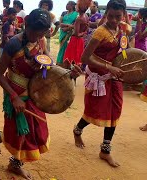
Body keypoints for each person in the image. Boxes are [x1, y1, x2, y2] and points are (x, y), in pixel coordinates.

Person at [0, 9, 82, 179]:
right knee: (19, 133)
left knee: (35, 132)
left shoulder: (41, 41)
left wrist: (68, 72)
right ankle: (14, 163)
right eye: (34, 32)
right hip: (16, 93)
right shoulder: (13, 44)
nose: (37, 36)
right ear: (26, 25)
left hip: (36, 93)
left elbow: (50, 65)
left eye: (41, 33)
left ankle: (1, 141)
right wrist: (14, 97)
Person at [73, 0, 132, 167]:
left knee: (115, 111)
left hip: (115, 76)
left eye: (118, 16)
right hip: (98, 77)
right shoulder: (100, 32)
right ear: (106, 14)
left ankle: (105, 150)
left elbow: (126, 49)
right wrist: (108, 67)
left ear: (124, 15)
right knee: (95, 110)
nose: (113, 20)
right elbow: (85, 58)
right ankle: (77, 130)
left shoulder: (123, 28)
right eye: (110, 16)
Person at [0, 8, 17, 83]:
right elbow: (5, 37)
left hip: (8, 46)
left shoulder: (12, 24)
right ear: (9, 15)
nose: (15, 16)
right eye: (13, 15)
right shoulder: (6, 24)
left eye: (15, 15)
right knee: (0, 62)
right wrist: (10, 45)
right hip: (4, 46)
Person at [63, 0, 90, 68]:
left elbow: (76, 33)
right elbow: (87, 28)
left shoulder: (79, 18)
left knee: (70, 60)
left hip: (75, 40)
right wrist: (84, 33)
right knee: (77, 60)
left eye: (77, 5)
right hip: (81, 40)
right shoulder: (86, 16)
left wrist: (80, 33)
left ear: (79, 7)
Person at [56, 1, 78, 66]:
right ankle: (59, 62)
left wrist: (68, 27)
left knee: (67, 48)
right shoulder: (64, 13)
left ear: (72, 6)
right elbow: (60, 23)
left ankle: (65, 64)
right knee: (61, 47)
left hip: (69, 33)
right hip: (62, 32)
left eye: (68, 4)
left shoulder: (76, 14)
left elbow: (75, 25)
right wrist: (68, 25)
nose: (66, 5)